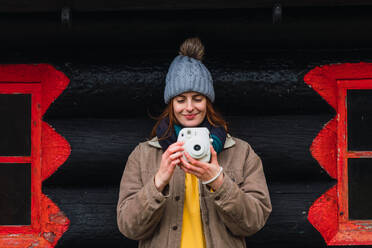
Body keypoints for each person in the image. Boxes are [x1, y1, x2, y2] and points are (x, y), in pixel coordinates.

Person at [117, 37, 272, 248]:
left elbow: (254, 222)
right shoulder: (143, 155)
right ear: (171, 104)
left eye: (197, 98)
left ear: (208, 102)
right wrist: (159, 180)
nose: (189, 107)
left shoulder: (241, 152)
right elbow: (129, 227)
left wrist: (218, 181)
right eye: (181, 100)